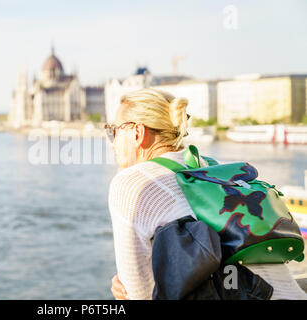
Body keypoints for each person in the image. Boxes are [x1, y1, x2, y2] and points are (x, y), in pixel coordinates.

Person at [106, 87, 307, 300]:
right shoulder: (212, 167)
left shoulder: (130, 183)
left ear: (137, 133)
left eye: (113, 131)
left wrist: (124, 294)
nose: (112, 142)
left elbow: (140, 294)